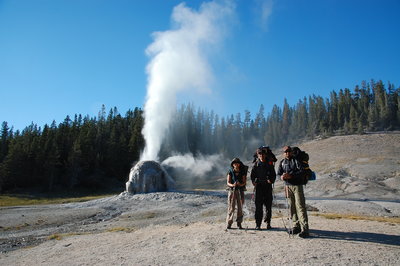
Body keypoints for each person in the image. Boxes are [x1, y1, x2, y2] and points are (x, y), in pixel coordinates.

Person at [277, 146, 310, 238]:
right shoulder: (282, 162)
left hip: (297, 186)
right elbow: (278, 174)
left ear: (291, 152)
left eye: (289, 151)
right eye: (285, 151)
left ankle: (305, 229)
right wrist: (281, 177)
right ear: (283, 153)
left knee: (300, 206)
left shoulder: (296, 160)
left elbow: (302, 172)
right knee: (291, 206)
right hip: (287, 186)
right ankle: (296, 226)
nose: (287, 153)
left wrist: (291, 176)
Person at [250, 148, 276, 230]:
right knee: (258, 206)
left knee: (268, 206)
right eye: (260, 154)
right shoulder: (256, 164)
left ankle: (268, 223)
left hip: (267, 186)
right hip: (259, 187)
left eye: (262, 153)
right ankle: (258, 224)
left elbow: (273, 175)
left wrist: (271, 180)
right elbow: (252, 176)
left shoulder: (269, 164)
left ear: (265, 154)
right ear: (258, 155)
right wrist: (253, 182)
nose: (261, 155)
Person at [226, 158, 247, 229]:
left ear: (239, 164)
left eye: (237, 163)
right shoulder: (230, 171)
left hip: (240, 190)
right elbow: (228, 182)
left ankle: (239, 223)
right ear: (232, 164)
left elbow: (244, 182)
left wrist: (240, 184)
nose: (236, 164)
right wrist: (233, 185)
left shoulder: (242, 172)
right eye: (234, 163)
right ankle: (229, 223)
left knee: (240, 207)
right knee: (231, 207)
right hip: (232, 191)